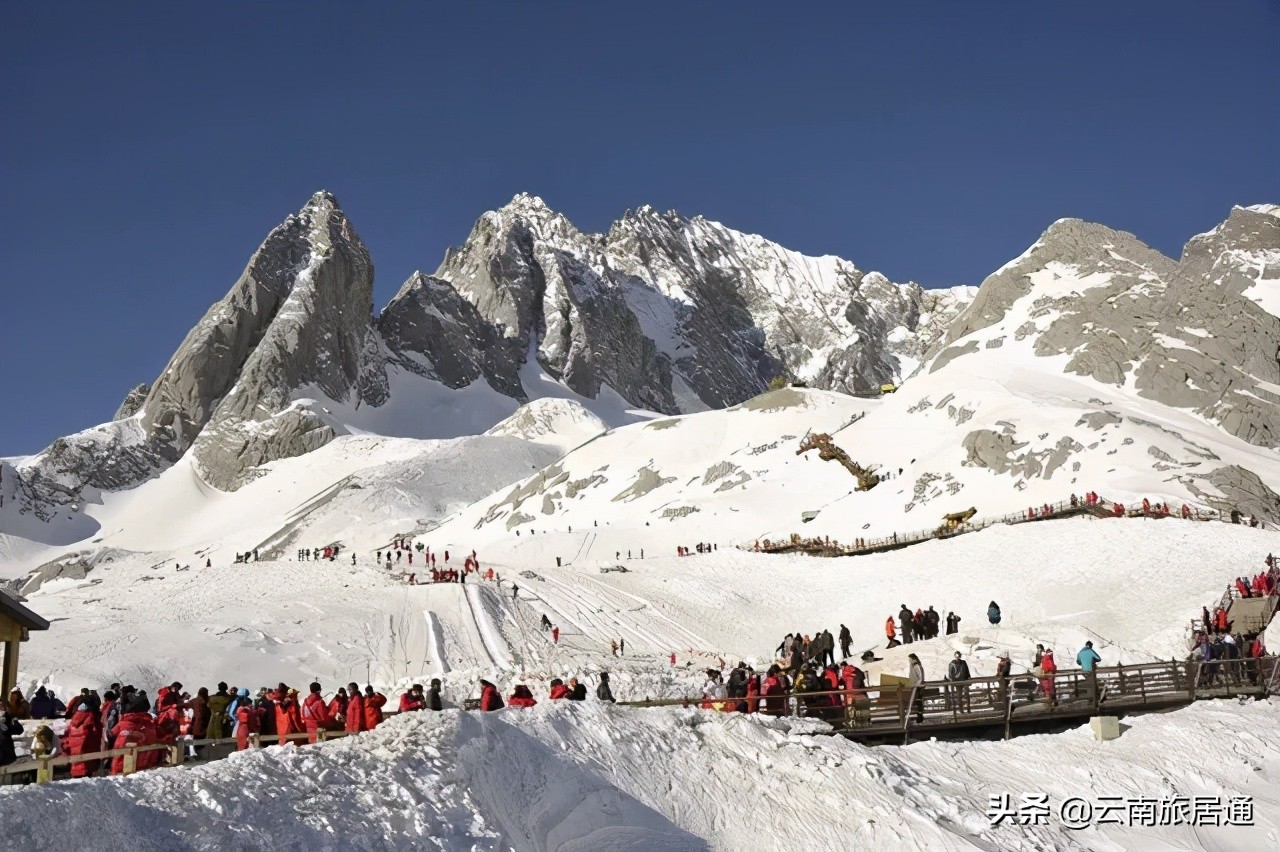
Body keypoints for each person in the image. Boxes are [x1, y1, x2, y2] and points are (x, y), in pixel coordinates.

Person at [111, 695, 160, 774]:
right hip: (145, 764)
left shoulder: (124, 723)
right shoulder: (150, 725)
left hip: (122, 764)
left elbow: (111, 734)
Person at [0, 697, 23, 767]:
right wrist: (15, 720)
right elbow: (18, 730)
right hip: (6, 756)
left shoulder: (5, 718)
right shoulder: (4, 718)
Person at [907, 654, 926, 723]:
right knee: (917, 702)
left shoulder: (917, 666)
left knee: (919, 702)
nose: (909, 661)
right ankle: (918, 717)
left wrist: (915, 684)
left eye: (910, 659)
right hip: (915, 686)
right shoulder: (913, 666)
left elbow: (920, 677)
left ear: (913, 659)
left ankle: (920, 718)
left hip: (918, 687)